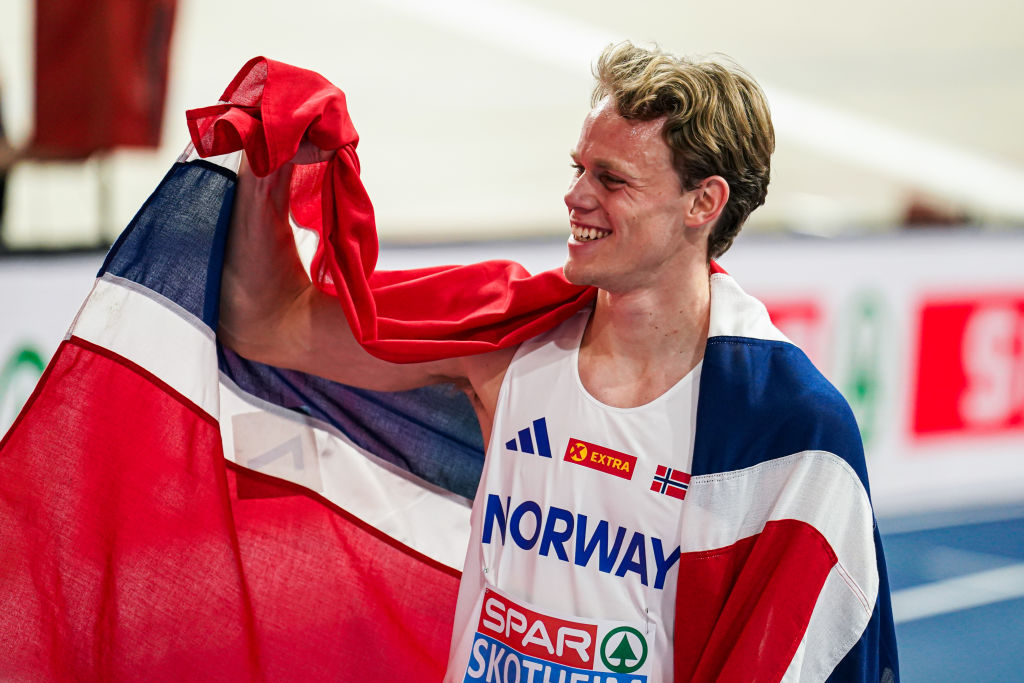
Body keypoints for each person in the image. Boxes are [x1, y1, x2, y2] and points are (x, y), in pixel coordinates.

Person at [221, 42, 897, 682]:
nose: (576, 197)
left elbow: (818, 640)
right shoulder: (506, 337)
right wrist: (271, 156)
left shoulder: (785, 424)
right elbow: (267, 326)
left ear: (704, 203)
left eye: (612, 179)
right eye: (578, 169)